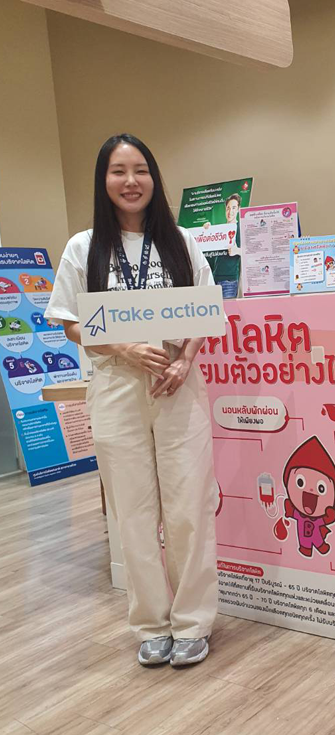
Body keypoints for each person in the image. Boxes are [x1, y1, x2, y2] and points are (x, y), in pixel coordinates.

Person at [45, 134, 219, 668]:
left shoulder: (182, 242)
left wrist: (185, 359)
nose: (130, 181)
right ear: (104, 182)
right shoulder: (84, 247)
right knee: (134, 513)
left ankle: (193, 622)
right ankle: (151, 624)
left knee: (189, 506)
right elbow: (68, 321)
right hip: (117, 386)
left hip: (177, 383)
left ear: (154, 177)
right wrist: (123, 345)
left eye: (140, 170)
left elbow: (206, 309)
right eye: (118, 171)